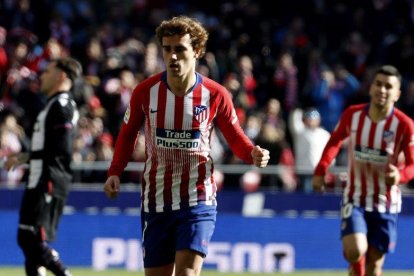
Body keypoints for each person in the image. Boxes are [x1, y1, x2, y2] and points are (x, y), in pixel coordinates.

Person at [103, 15, 270, 276]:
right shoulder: (145, 92)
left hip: (197, 199)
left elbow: (235, 137)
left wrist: (252, 153)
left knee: (187, 274)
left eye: (180, 49)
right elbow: (126, 135)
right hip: (156, 201)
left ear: (197, 51)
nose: (172, 57)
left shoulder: (216, 94)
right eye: (167, 49)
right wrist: (115, 171)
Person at [312, 65, 414, 276]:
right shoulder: (353, 115)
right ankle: (355, 265)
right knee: (355, 250)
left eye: (388, 86)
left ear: (397, 94)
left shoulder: (405, 125)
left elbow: (413, 164)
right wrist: (321, 169)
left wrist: (399, 176)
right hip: (355, 198)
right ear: (370, 88)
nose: (382, 90)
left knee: (374, 267)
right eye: (378, 84)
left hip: (386, 203)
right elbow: (335, 141)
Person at [3, 57, 82, 276]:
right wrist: (26, 157)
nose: (42, 75)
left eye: (47, 71)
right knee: (28, 240)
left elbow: (61, 149)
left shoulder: (62, 105)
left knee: (31, 240)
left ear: (62, 76)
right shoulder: (52, 104)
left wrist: (27, 157)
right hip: (39, 177)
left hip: (49, 178)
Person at [288, 107, 330, 193]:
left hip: (319, 171)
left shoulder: (324, 134)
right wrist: (298, 108)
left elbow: (330, 152)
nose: (311, 121)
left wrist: (329, 167)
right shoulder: (300, 132)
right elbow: (294, 120)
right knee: (306, 196)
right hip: (304, 170)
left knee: (320, 196)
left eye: (314, 119)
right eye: (309, 118)